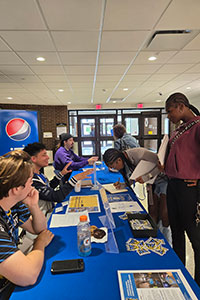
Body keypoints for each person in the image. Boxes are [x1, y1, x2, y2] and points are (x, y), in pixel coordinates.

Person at [0, 150, 54, 298]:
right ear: (17, 189)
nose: (32, 185)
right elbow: (28, 276)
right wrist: (40, 244)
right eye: (30, 181)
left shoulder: (13, 202)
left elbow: (40, 229)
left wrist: (33, 206)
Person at [164, 92, 200, 286]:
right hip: (173, 186)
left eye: (170, 111)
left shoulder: (198, 126)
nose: (169, 116)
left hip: (189, 188)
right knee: (176, 233)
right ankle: (178, 277)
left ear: (181, 106)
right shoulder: (178, 130)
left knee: (195, 237)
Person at [24, 142, 94, 217]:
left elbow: (49, 187)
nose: (48, 157)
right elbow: (56, 196)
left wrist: (61, 174)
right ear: (33, 159)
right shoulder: (31, 181)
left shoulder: (39, 174)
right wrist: (75, 178)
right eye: (44, 155)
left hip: (49, 210)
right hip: (43, 218)